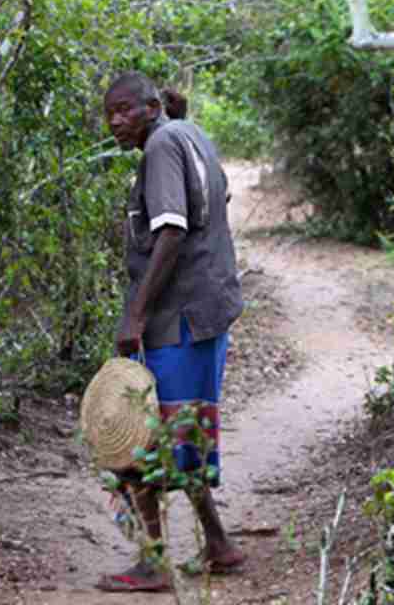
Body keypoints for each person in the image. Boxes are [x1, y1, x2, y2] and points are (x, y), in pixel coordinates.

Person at [97, 71, 246, 592]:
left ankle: (153, 562)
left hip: (178, 317)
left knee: (136, 439)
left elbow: (172, 230)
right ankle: (220, 545)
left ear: (152, 106)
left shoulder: (162, 144)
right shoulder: (192, 134)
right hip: (206, 312)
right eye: (109, 113)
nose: (115, 121)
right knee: (185, 433)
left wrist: (135, 315)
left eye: (124, 110)